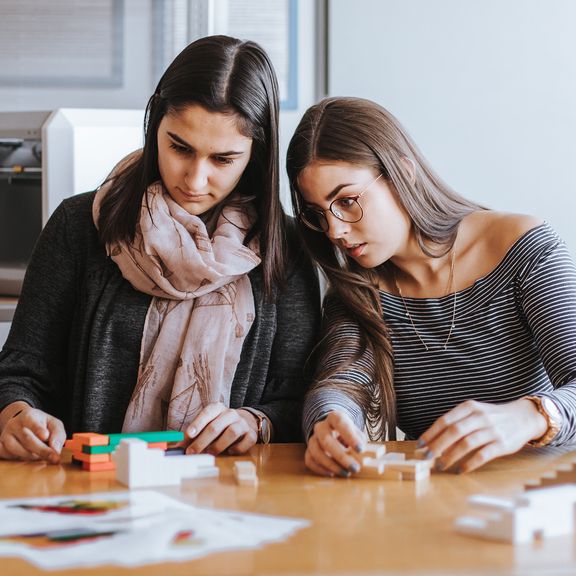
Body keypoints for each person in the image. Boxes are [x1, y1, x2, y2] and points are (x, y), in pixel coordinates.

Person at [0, 35, 320, 464]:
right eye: (179, 147)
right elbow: (20, 372)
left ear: (255, 157)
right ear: (155, 127)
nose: (194, 179)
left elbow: (300, 398)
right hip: (92, 494)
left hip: (231, 502)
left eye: (223, 159)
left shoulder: (286, 248)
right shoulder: (78, 226)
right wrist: (16, 415)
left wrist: (253, 422)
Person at [286, 96, 576, 477]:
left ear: (403, 172)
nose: (335, 230)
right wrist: (329, 420)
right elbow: (342, 381)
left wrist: (530, 416)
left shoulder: (523, 247)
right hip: (434, 505)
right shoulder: (358, 288)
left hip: (537, 500)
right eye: (317, 213)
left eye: (347, 200)